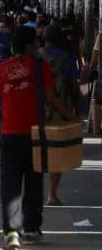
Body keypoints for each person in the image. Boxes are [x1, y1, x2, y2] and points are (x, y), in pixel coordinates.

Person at [0, 27, 78, 249]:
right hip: (35, 136)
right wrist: (72, 118)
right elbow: (52, 99)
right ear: (31, 46)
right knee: (33, 183)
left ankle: (12, 233)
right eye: (36, 43)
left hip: (9, 138)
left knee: (10, 187)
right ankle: (31, 229)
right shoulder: (41, 68)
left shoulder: (1, 69)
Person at [39, 25, 81, 206]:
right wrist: (76, 110)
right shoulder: (67, 57)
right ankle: (52, 195)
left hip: (36, 109)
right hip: (60, 110)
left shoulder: (36, 55)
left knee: (36, 149)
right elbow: (73, 85)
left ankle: (33, 190)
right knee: (57, 152)